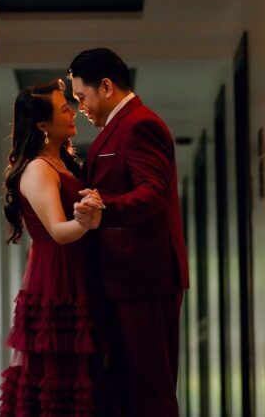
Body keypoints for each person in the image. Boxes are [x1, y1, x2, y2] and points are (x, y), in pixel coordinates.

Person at [69, 48, 189, 417]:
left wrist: (103, 210)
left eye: (82, 97)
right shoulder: (117, 128)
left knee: (150, 390)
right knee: (126, 391)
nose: (80, 107)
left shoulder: (140, 125)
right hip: (124, 280)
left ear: (106, 86)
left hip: (144, 278)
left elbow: (153, 194)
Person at [0, 79, 107, 417]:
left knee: (78, 374)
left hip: (72, 271)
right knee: (59, 374)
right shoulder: (37, 168)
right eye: (64, 109)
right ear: (43, 125)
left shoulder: (60, 162)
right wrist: (92, 218)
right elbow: (59, 232)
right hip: (57, 278)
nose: (73, 112)